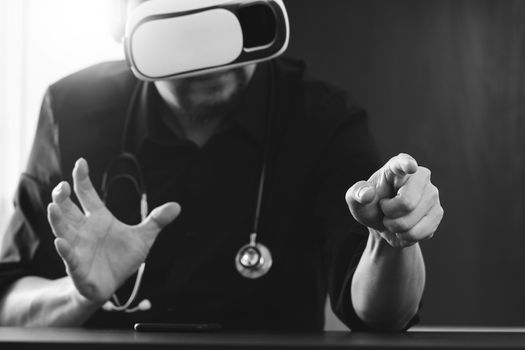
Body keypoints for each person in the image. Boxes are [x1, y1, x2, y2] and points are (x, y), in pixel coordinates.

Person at [0, 0, 443, 331]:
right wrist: (77, 295)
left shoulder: (321, 116)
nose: (209, 61)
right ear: (129, 23)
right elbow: (8, 302)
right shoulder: (73, 109)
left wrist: (389, 239)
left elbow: (380, 315)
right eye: (183, 34)